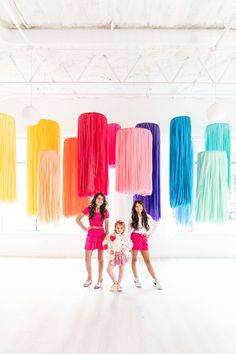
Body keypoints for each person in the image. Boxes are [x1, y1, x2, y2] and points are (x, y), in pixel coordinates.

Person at [76, 192, 109, 289]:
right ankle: (89, 278)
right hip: (91, 235)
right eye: (99, 198)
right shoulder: (89, 209)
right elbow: (78, 219)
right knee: (87, 259)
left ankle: (100, 279)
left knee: (100, 259)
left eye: (102, 199)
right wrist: (85, 228)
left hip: (101, 235)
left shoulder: (105, 212)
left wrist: (107, 238)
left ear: (104, 202)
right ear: (95, 199)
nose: (100, 201)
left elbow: (107, 226)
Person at [128, 200, 162, 290]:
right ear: (134, 208)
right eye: (136, 207)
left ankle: (156, 280)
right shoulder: (132, 218)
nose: (138, 208)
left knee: (147, 261)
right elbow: (128, 232)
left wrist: (149, 234)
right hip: (134, 238)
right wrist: (129, 243)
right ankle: (136, 279)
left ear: (142, 207)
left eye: (139, 206)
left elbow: (156, 226)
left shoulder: (147, 216)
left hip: (143, 239)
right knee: (134, 260)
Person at [103, 220, 132, 292]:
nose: (119, 230)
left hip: (122, 255)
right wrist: (109, 250)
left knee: (121, 270)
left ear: (123, 229)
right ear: (115, 228)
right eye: (118, 228)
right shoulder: (110, 236)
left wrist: (125, 249)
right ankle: (115, 283)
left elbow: (130, 244)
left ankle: (119, 284)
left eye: (121, 228)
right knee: (109, 270)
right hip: (114, 256)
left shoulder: (125, 237)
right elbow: (104, 244)